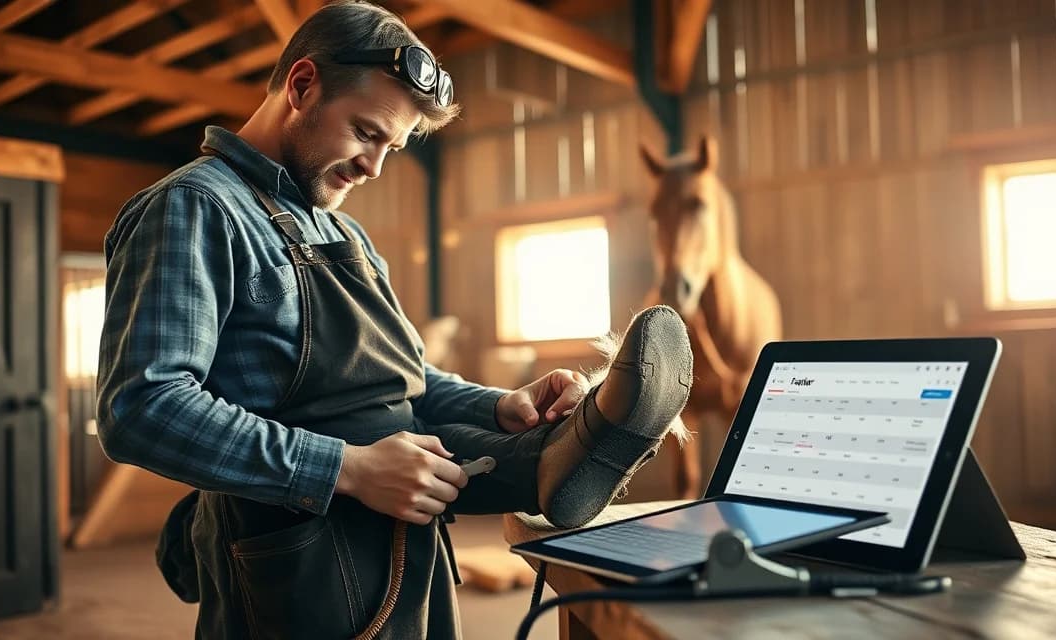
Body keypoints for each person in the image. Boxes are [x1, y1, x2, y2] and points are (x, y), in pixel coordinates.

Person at [95, 1, 692, 638]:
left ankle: (549, 455)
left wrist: (497, 406)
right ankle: (549, 462)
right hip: (299, 561)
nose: (375, 166)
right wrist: (348, 468)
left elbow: (404, 382)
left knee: (431, 436)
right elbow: (142, 407)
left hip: (406, 542)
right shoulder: (195, 208)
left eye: (393, 147)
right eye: (366, 132)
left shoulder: (344, 232)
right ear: (302, 85)